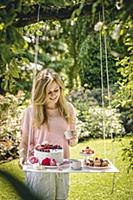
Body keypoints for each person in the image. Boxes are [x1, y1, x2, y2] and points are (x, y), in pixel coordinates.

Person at [19, 68, 78, 200]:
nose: (53, 95)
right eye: (48, 92)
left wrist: (74, 139)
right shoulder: (30, 112)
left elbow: (72, 142)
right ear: (41, 93)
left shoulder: (68, 109)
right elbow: (24, 141)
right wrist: (22, 156)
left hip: (62, 167)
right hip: (39, 168)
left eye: (56, 90)